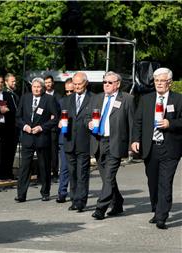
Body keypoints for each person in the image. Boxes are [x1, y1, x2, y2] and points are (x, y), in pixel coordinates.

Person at [131, 67, 182, 229]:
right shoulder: (146, 99)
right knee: (153, 182)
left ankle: (162, 216)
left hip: (170, 148)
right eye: (157, 81)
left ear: (170, 83)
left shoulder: (179, 99)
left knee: (165, 182)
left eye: (162, 81)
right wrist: (135, 140)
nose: (159, 84)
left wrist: (171, 124)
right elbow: (137, 121)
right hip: (150, 147)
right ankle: (156, 209)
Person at [87, 71, 134, 220]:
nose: (106, 85)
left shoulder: (127, 99)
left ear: (117, 84)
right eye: (104, 82)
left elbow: (132, 123)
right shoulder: (97, 98)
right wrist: (88, 123)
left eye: (110, 82)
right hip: (99, 142)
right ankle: (118, 201)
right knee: (107, 178)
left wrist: (133, 143)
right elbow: (87, 117)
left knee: (108, 177)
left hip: (115, 142)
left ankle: (100, 208)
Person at [15, 77, 59, 202]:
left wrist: (41, 127)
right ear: (31, 87)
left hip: (42, 138)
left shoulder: (49, 99)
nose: (36, 89)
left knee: (44, 166)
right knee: (25, 167)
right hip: (28, 137)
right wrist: (24, 126)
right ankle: (21, 194)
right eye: (34, 87)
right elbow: (18, 117)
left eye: (39, 87)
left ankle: (45, 192)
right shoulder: (25, 98)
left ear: (43, 87)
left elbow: (55, 118)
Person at [58, 73, 93, 212]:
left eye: (80, 84)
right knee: (72, 172)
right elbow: (62, 116)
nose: (77, 86)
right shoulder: (67, 100)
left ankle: (81, 201)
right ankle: (74, 198)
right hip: (69, 140)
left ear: (86, 83)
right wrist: (60, 122)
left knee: (82, 172)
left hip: (84, 141)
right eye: (75, 84)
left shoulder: (93, 99)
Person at [56, 78, 74, 203]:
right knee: (64, 168)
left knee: (76, 168)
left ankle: (74, 192)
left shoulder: (83, 102)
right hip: (64, 138)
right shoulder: (61, 102)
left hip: (78, 139)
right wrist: (57, 122)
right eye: (67, 91)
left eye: (71, 91)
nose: (69, 94)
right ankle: (62, 192)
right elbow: (54, 117)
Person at [44, 75, 62, 181]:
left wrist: (55, 116)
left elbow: (61, 109)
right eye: (46, 82)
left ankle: (55, 172)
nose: (48, 84)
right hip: (43, 127)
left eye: (49, 82)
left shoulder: (58, 96)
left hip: (54, 128)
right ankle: (44, 172)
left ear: (53, 83)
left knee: (54, 150)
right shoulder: (41, 95)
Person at [4, 73, 20, 179]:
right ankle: (4, 173)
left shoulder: (16, 95)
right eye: (12, 81)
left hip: (15, 127)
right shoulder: (3, 94)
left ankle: (9, 172)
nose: (14, 83)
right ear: (6, 82)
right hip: (6, 127)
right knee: (6, 151)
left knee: (12, 151)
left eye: (15, 81)